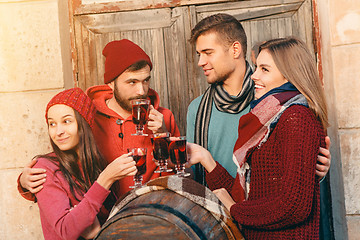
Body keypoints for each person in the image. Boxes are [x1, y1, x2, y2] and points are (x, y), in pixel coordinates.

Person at [188, 36, 328, 239]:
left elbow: (295, 205)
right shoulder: (270, 121)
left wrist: (233, 209)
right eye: (256, 67)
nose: (254, 76)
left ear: (290, 76)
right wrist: (205, 159)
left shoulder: (297, 117)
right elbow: (249, 199)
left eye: (265, 69)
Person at [18, 39, 180, 199]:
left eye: (146, 80)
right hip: (105, 219)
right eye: (132, 82)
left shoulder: (164, 117)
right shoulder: (87, 118)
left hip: (156, 214)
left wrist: (162, 135)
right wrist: (25, 182)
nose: (141, 90)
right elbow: (65, 162)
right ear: (111, 82)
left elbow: (181, 173)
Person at [186, 13, 331, 185]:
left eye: (208, 53)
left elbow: (292, 177)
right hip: (214, 208)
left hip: (266, 207)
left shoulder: (274, 102)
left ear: (235, 50)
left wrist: (316, 170)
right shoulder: (197, 109)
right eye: (199, 54)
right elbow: (193, 175)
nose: (200, 62)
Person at [33, 88, 137, 240]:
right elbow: (66, 230)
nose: (58, 131)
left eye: (66, 121)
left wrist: (95, 233)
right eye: (52, 124)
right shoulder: (45, 168)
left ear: (83, 123)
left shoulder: (95, 164)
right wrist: (105, 179)